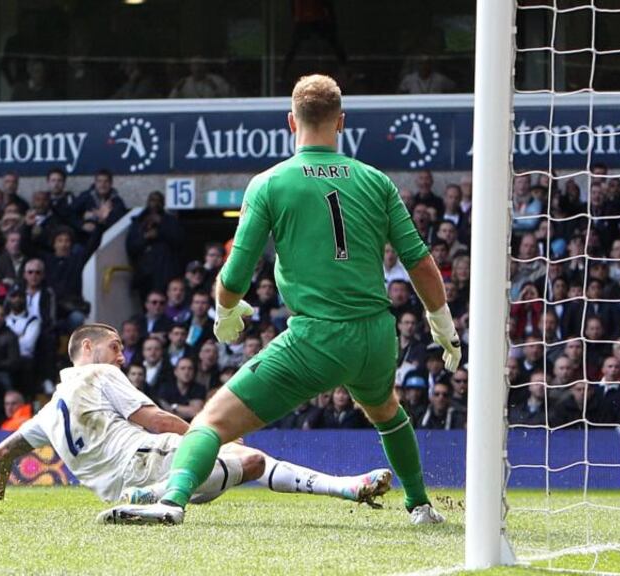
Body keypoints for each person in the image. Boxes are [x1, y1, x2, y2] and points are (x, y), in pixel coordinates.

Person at [102, 74, 458, 526]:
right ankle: (421, 506)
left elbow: (234, 275)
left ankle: (170, 502)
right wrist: (443, 325)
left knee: (210, 422)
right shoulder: (377, 182)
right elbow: (422, 264)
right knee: (387, 411)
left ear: (292, 121)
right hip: (376, 336)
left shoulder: (270, 183)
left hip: (316, 338)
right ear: (340, 122)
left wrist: (226, 310)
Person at [0, 324, 392, 510]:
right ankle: (346, 487)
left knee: (246, 467)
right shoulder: (100, 373)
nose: (121, 356)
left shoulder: (46, 411)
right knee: (251, 460)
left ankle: (152, 498)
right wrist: (211, 437)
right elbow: (158, 420)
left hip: (117, 487)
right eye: (115, 347)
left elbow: (0, 457)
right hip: (146, 459)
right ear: (88, 347)